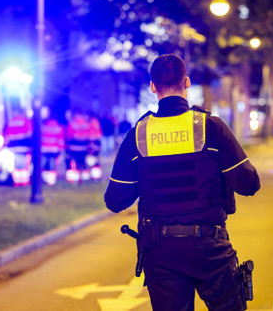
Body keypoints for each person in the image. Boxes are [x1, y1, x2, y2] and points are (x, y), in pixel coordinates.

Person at [104, 54, 260, 310]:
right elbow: (249, 183)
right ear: (186, 82)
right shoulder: (211, 128)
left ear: (153, 86)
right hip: (210, 249)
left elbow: (115, 200)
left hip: (160, 251)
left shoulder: (137, 135)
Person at [65, 109, 90, 184]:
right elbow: (89, 134)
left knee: (75, 162)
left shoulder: (72, 123)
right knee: (83, 162)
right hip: (84, 147)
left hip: (74, 147)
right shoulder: (86, 122)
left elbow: (69, 135)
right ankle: (84, 178)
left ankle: (76, 179)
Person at [41, 107, 65, 185]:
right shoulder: (58, 127)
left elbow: (40, 138)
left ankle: (44, 179)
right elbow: (60, 140)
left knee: (45, 164)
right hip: (54, 149)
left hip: (44, 149)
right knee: (52, 164)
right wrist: (61, 150)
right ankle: (51, 181)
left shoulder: (44, 126)